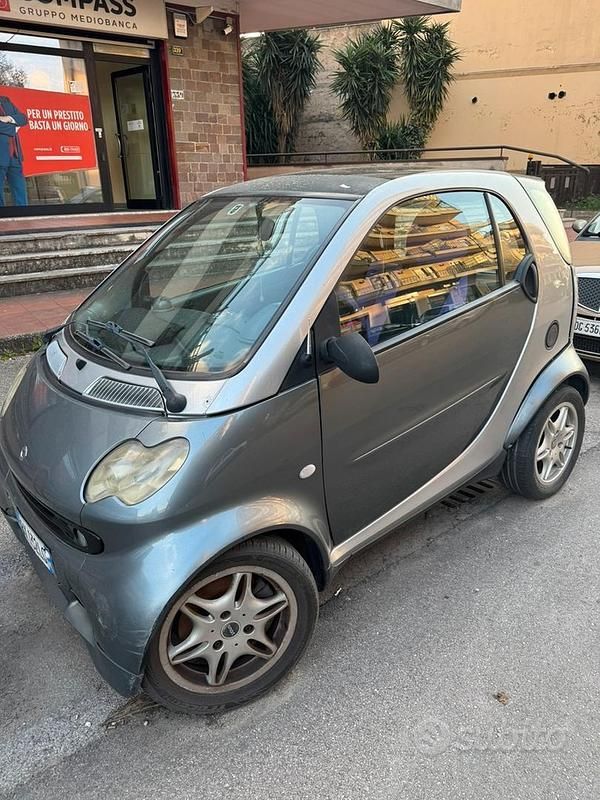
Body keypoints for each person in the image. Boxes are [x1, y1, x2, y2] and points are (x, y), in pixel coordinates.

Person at [0, 94, 28, 207]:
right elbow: (18, 123)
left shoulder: (5, 100)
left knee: (20, 193)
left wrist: (8, 119)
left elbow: (23, 118)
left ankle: (24, 219)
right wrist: (15, 127)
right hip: (1, 155)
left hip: (15, 156)